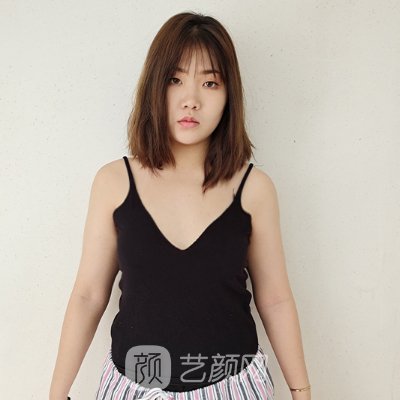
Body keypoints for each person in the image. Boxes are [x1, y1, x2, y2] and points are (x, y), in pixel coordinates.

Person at [49, 11, 311, 400]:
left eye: (210, 83)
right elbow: (88, 295)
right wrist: (57, 393)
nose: (191, 100)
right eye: (175, 80)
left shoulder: (254, 189)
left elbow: (275, 299)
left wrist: (301, 389)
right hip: (134, 387)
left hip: (234, 387)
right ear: (155, 86)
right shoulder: (114, 182)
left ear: (229, 96)